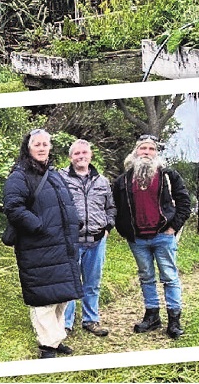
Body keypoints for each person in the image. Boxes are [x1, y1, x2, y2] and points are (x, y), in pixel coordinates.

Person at [3, 128, 83, 359]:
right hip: (37, 246)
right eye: (36, 144)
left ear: (50, 147)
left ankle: (55, 340)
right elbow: (13, 207)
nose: (41, 148)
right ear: (28, 147)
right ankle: (47, 346)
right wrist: (38, 226)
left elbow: (65, 202)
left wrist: (74, 223)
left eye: (45, 144)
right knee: (44, 299)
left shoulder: (55, 174)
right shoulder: (19, 175)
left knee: (61, 296)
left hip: (61, 244)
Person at [110, 134, 192, 339]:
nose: (146, 152)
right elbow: (114, 208)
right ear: (135, 152)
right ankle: (152, 316)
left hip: (163, 236)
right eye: (142, 148)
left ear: (156, 153)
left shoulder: (168, 176)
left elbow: (184, 202)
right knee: (146, 277)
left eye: (151, 149)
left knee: (169, 277)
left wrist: (173, 227)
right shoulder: (123, 180)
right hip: (137, 239)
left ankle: (174, 320)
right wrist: (124, 231)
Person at [60, 139, 116, 337]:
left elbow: (111, 207)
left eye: (84, 152)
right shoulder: (60, 179)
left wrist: (108, 226)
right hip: (71, 241)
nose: (81, 156)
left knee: (92, 283)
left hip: (97, 240)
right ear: (70, 157)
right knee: (70, 282)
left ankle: (90, 320)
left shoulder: (102, 181)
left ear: (91, 155)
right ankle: (65, 324)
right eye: (77, 153)